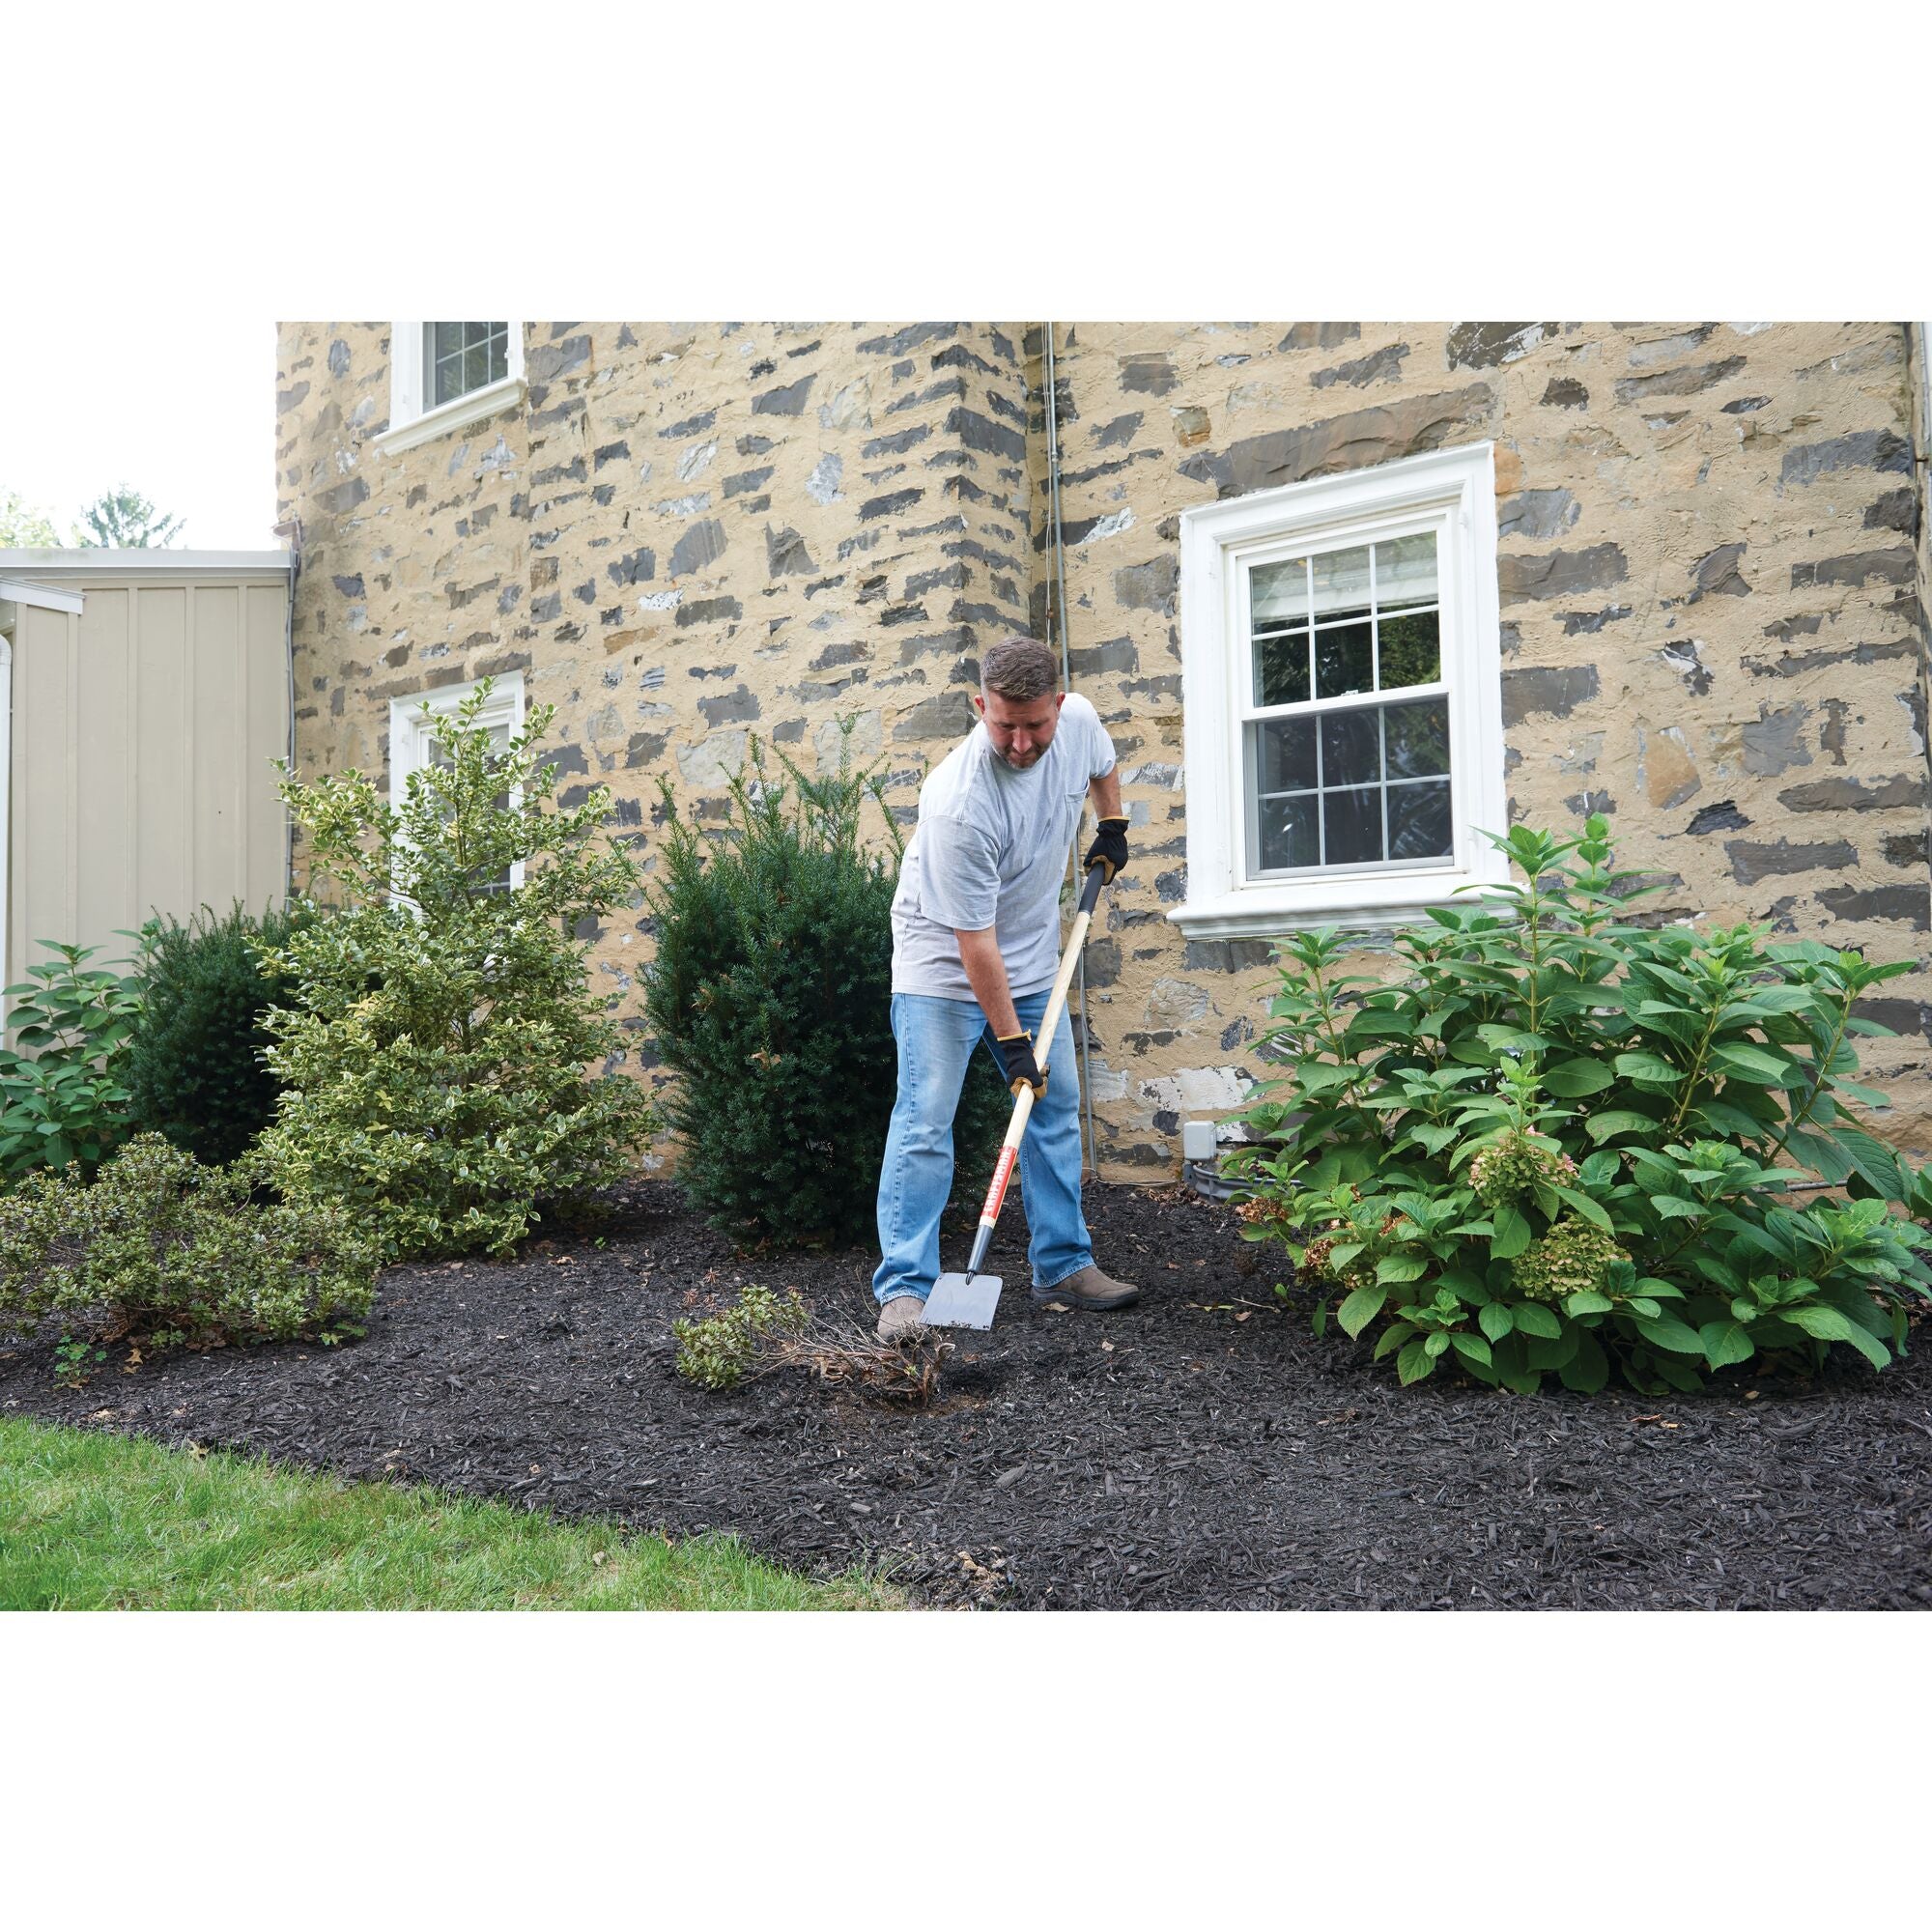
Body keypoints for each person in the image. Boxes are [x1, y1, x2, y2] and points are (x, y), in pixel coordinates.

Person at [872, 635, 1141, 1341]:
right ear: (978, 706)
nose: (1020, 743)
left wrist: (1112, 822)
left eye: (1035, 725)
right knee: (926, 1121)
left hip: (1026, 958)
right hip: (943, 967)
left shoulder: (1078, 721)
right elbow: (973, 944)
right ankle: (905, 1289)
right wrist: (1014, 1043)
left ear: (1058, 704)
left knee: (1053, 1112)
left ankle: (1062, 1266)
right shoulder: (957, 803)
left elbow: (1103, 766)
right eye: (1003, 726)